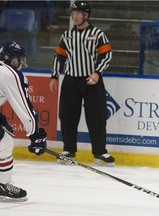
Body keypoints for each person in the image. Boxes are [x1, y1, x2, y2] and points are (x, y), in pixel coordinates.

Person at [49, 1, 114, 166]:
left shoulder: (98, 34)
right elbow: (59, 56)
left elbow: (106, 55)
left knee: (97, 117)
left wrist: (97, 72)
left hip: (92, 80)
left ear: (86, 15)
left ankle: (100, 152)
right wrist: (54, 76)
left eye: (78, 13)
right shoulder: (67, 35)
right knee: (67, 116)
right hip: (71, 80)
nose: (75, 16)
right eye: (73, 13)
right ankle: (68, 150)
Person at [0, 41, 47, 202]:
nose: (21, 63)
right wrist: (36, 135)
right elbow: (25, 108)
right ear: (13, 59)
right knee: (4, 144)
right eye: (19, 59)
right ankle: (3, 185)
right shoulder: (10, 73)